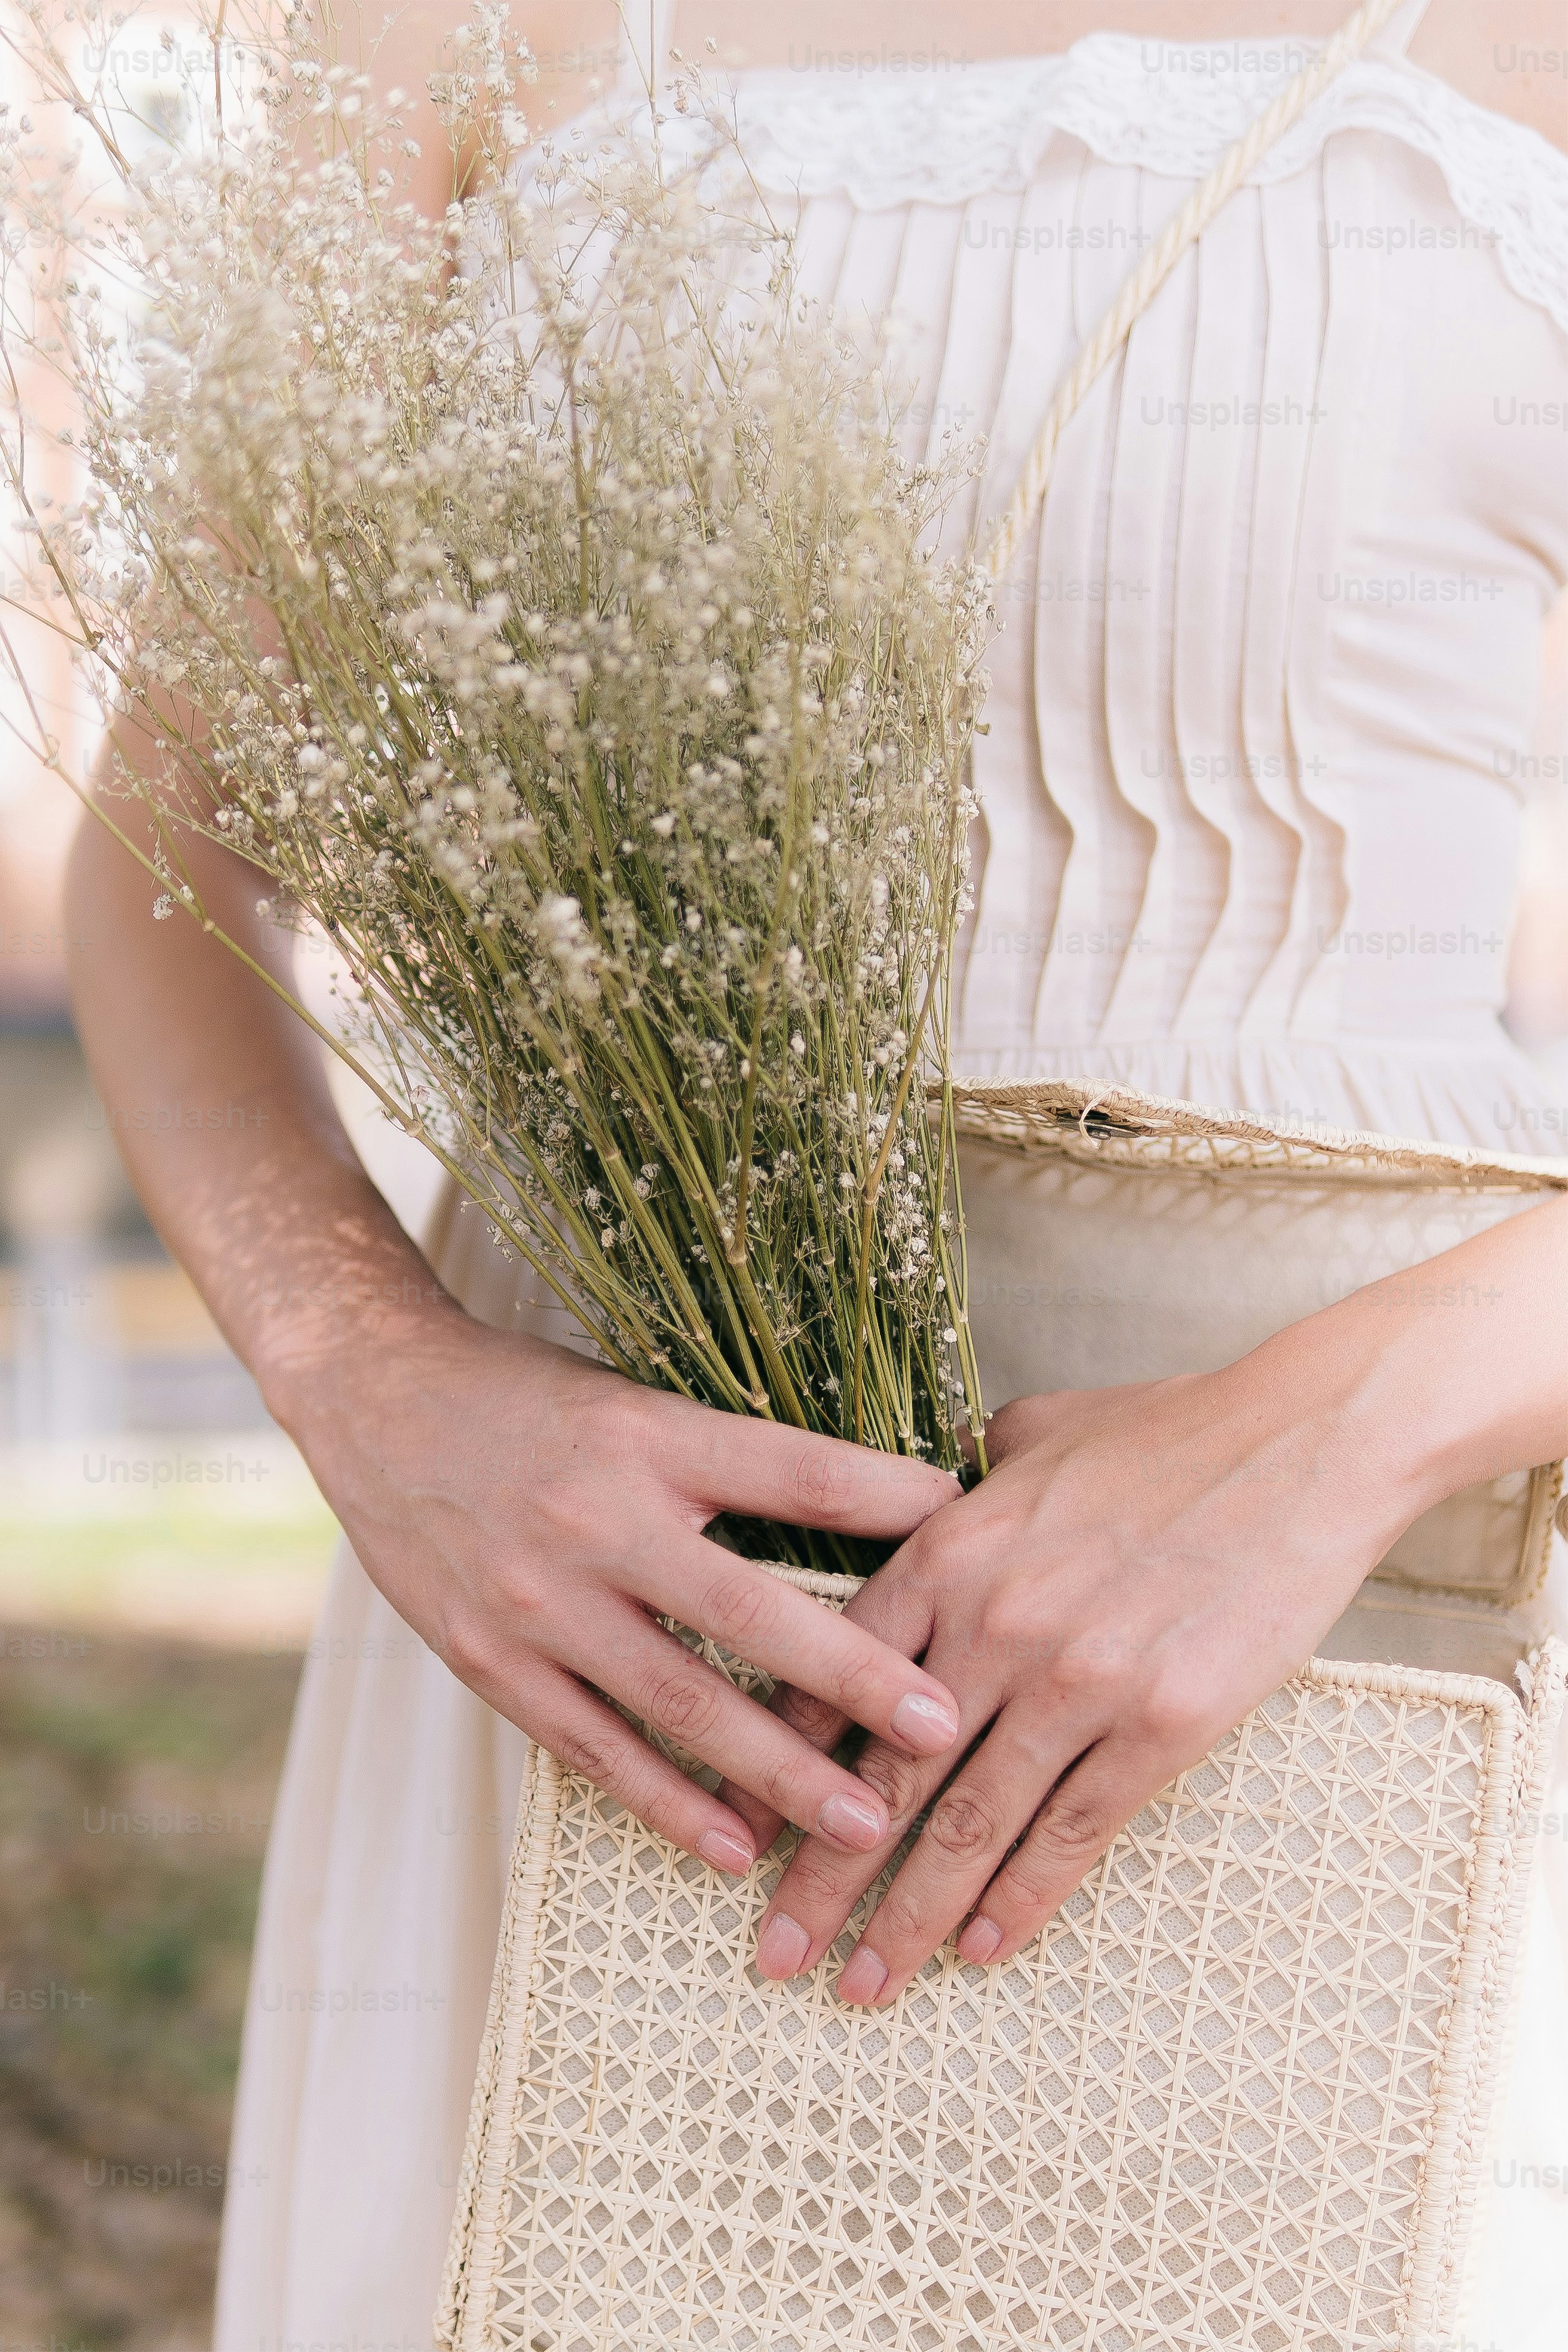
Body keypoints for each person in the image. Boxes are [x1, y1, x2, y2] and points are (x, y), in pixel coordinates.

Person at [64, 0, 1568, 2341]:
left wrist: (1330, 1437)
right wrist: (371, 1385)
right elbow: (173, 841)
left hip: (1389, 1620)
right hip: (605, 1631)